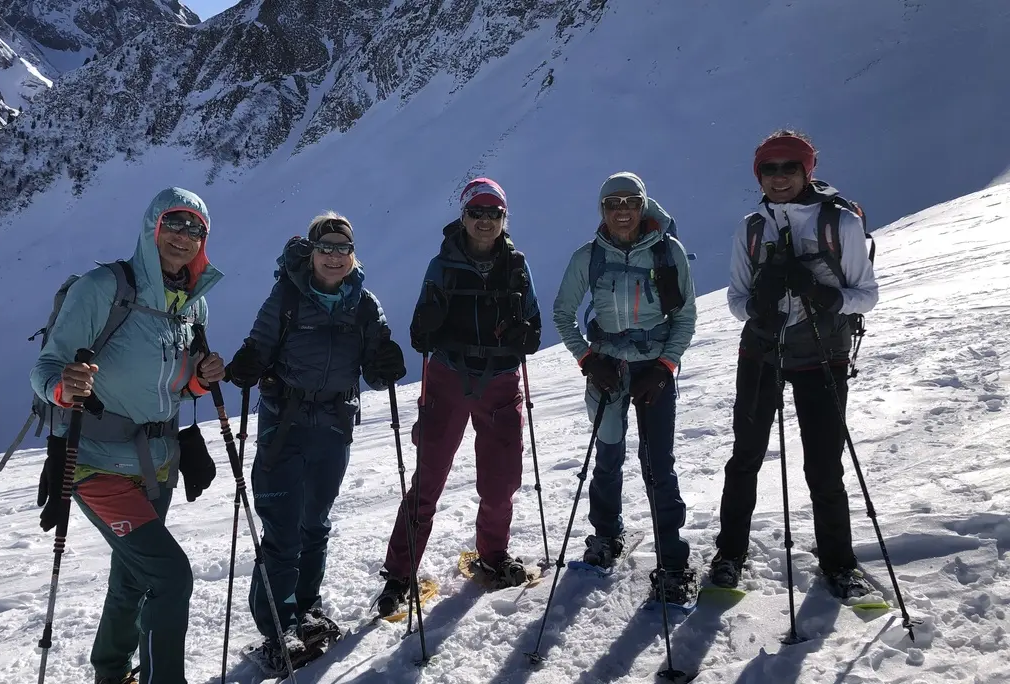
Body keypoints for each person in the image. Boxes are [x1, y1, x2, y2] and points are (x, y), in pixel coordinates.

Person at [30, 187, 226, 684]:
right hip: (96, 463)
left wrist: (200, 380)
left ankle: (111, 673)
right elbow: (46, 368)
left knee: (135, 578)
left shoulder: (194, 304)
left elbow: (172, 388)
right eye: (174, 223)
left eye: (196, 229)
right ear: (152, 227)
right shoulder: (102, 288)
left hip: (157, 465)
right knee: (170, 576)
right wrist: (63, 386)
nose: (184, 236)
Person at [225, 212, 405, 670]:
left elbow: (375, 365)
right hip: (283, 425)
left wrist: (385, 363)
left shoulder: (365, 305)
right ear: (312, 252)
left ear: (353, 255)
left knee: (315, 524)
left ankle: (307, 609)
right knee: (282, 529)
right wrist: (248, 361)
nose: (334, 256)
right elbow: (259, 345)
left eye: (343, 249)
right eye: (326, 248)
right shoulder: (286, 297)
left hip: (334, 425)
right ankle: (277, 628)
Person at [712, 130, 879, 599]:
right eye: (769, 169)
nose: (779, 177)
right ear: (758, 175)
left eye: (790, 167)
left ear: (808, 171)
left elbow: (867, 295)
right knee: (745, 457)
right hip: (762, 352)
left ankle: (839, 563)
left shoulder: (840, 223)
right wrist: (757, 308)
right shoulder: (750, 229)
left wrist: (823, 295)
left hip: (822, 354)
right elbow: (736, 299)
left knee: (824, 465)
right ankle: (729, 554)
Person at [374, 177, 542, 617]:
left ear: (504, 218)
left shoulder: (517, 266)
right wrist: (428, 325)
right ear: (463, 216)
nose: (485, 220)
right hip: (449, 378)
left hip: (498, 381)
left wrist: (525, 334)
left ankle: (493, 555)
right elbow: (419, 334)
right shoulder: (442, 266)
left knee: (501, 481)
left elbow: (534, 325)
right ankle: (399, 574)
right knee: (428, 480)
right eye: (476, 212)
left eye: (493, 213)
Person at [552, 171, 698, 603]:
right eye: (612, 203)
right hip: (608, 368)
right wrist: (587, 360)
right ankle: (605, 535)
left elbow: (685, 316)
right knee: (608, 455)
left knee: (657, 465)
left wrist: (664, 367)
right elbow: (563, 313)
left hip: (653, 368)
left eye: (630, 202)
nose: (622, 210)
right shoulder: (588, 257)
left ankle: (673, 562)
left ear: (643, 205)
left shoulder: (668, 252)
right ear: (602, 209)